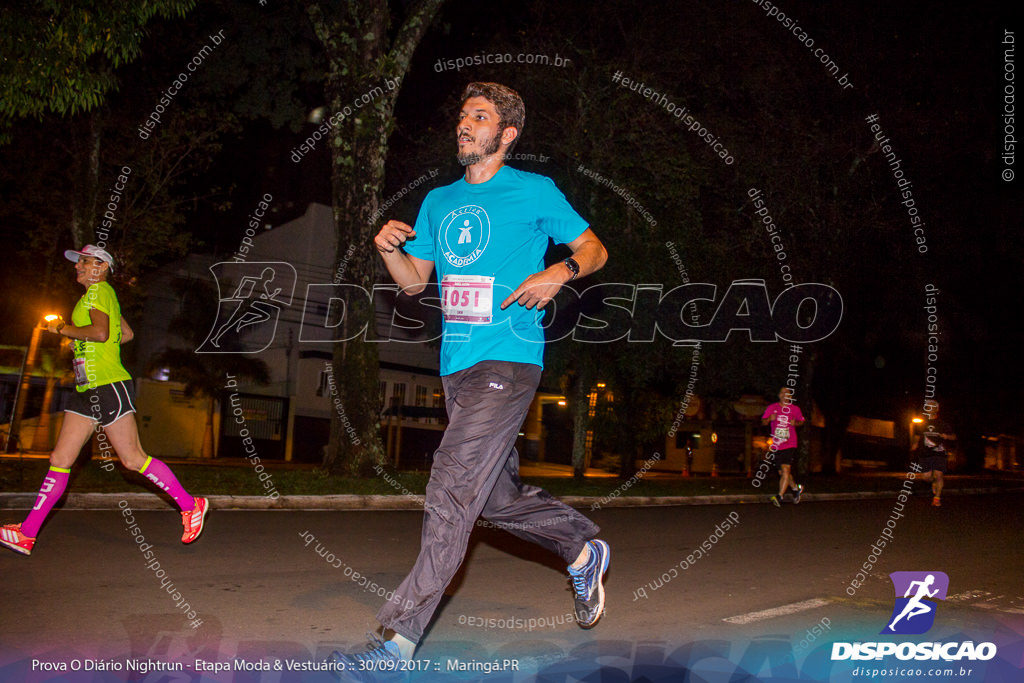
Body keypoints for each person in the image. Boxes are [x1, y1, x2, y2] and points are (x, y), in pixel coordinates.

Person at [330, 82, 610, 676]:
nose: (465, 125)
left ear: (506, 135)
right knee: (495, 499)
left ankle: (397, 641)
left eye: (479, 117)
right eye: (462, 116)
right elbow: (413, 284)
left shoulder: (534, 191)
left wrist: (557, 273)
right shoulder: (437, 201)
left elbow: (594, 250)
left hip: (508, 361)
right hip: (456, 368)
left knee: (451, 487)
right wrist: (387, 249)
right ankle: (582, 548)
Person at [0, 245, 208, 556]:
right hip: (87, 389)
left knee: (133, 459)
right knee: (60, 459)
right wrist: (84, 347)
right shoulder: (97, 296)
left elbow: (99, 333)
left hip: (109, 385)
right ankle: (27, 533)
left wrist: (63, 329)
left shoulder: (99, 291)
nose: (78, 267)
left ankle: (191, 505)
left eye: (84, 262)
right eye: (78, 262)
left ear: (101, 266)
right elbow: (123, 334)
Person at [761, 387, 806, 507]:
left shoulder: (795, 409)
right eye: (782, 392)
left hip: (790, 443)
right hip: (777, 445)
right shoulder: (772, 407)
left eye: (787, 393)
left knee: (786, 469)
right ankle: (796, 489)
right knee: (782, 472)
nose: (784, 394)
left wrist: (795, 423)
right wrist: (769, 418)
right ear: (779, 395)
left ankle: (779, 496)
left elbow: (801, 421)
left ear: (790, 397)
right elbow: (763, 421)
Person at [913, 400, 955, 507]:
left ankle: (937, 498)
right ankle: (933, 482)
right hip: (925, 452)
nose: (929, 408)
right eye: (928, 406)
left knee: (939, 474)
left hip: (939, 452)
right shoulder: (922, 423)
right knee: (925, 477)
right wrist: (915, 444)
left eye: (932, 406)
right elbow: (918, 436)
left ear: (937, 409)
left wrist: (947, 436)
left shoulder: (943, 424)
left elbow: (954, 436)